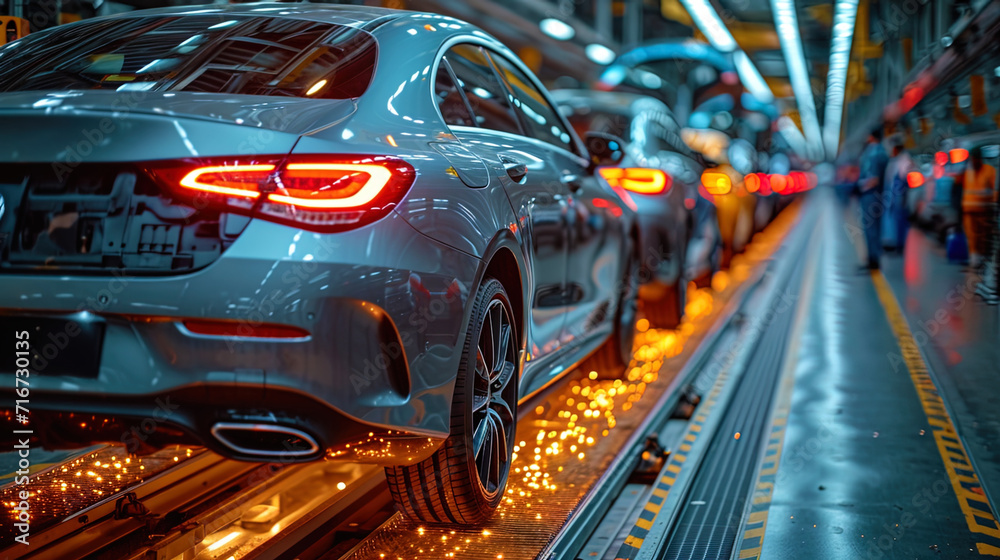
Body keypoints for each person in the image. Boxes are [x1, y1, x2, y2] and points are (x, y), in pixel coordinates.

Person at [857, 127, 889, 270]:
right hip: (878, 195)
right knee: (874, 227)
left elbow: (874, 179)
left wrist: (859, 186)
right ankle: (873, 258)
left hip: (870, 195)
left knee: (871, 228)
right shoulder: (881, 151)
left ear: (871, 136)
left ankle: (873, 260)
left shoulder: (874, 153)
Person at [960, 146, 997, 269]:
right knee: (971, 236)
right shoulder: (967, 171)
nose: (973, 161)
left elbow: (995, 191)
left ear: (980, 159)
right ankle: (975, 260)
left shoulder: (990, 171)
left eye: (975, 159)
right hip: (969, 211)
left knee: (983, 237)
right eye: (972, 159)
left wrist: (994, 205)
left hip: (984, 211)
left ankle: (982, 261)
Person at [882, 142, 914, 253]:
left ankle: (900, 245)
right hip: (893, 195)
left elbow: (905, 180)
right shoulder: (896, 160)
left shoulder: (905, 160)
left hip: (900, 195)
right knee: (893, 219)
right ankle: (893, 242)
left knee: (900, 220)